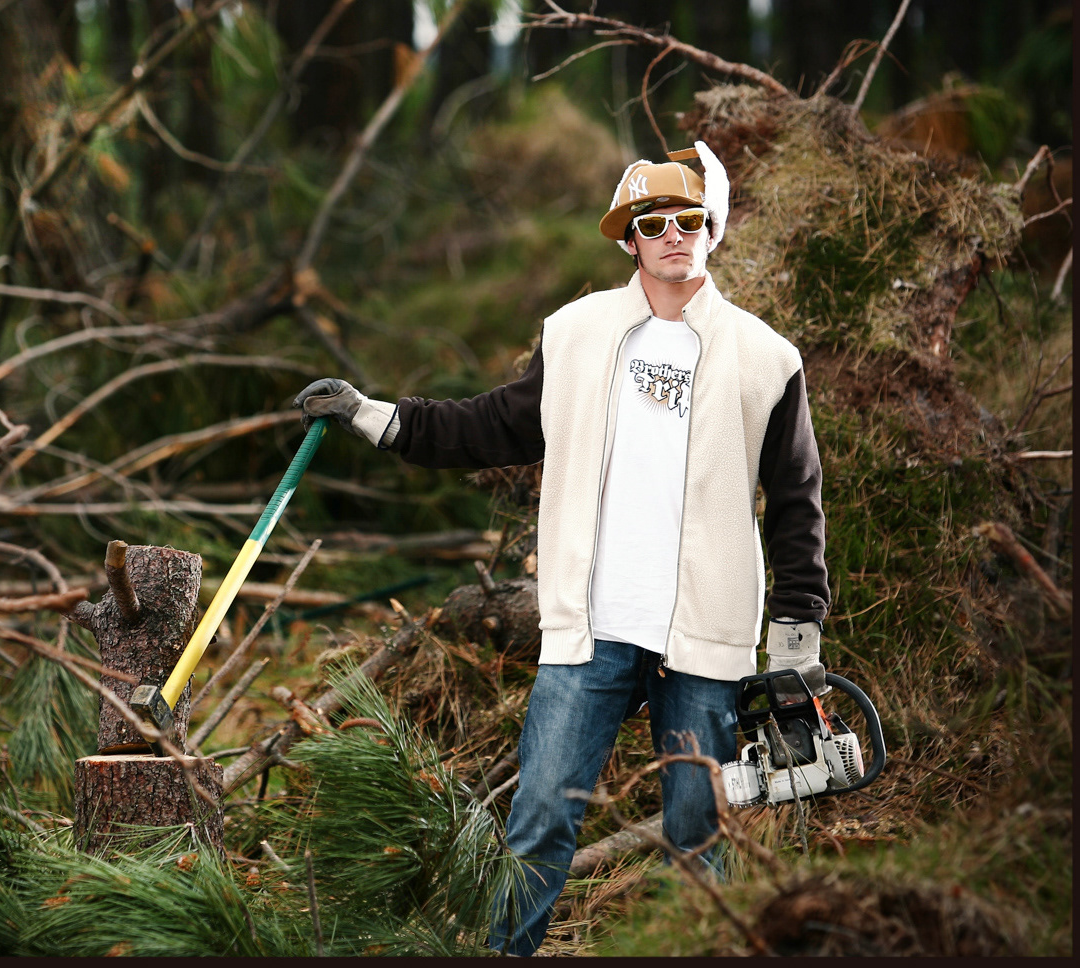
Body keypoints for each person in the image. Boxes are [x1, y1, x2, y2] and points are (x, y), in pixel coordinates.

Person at [292, 141, 830, 956]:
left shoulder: (767, 360)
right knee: (539, 823)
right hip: (591, 630)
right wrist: (375, 415)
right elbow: (489, 425)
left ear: (712, 228)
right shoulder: (577, 335)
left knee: (700, 840)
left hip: (706, 639)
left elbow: (797, 502)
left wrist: (797, 633)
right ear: (630, 240)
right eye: (654, 224)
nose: (674, 236)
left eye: (689, 220)